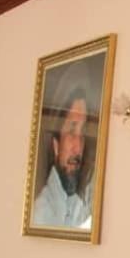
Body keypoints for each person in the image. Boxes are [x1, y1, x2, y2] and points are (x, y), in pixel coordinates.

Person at [33, 88, 93, 228]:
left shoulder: (82, 208)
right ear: (56, 146)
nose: (78, 147)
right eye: (71, 131)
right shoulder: (41, 213)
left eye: (82, 133)